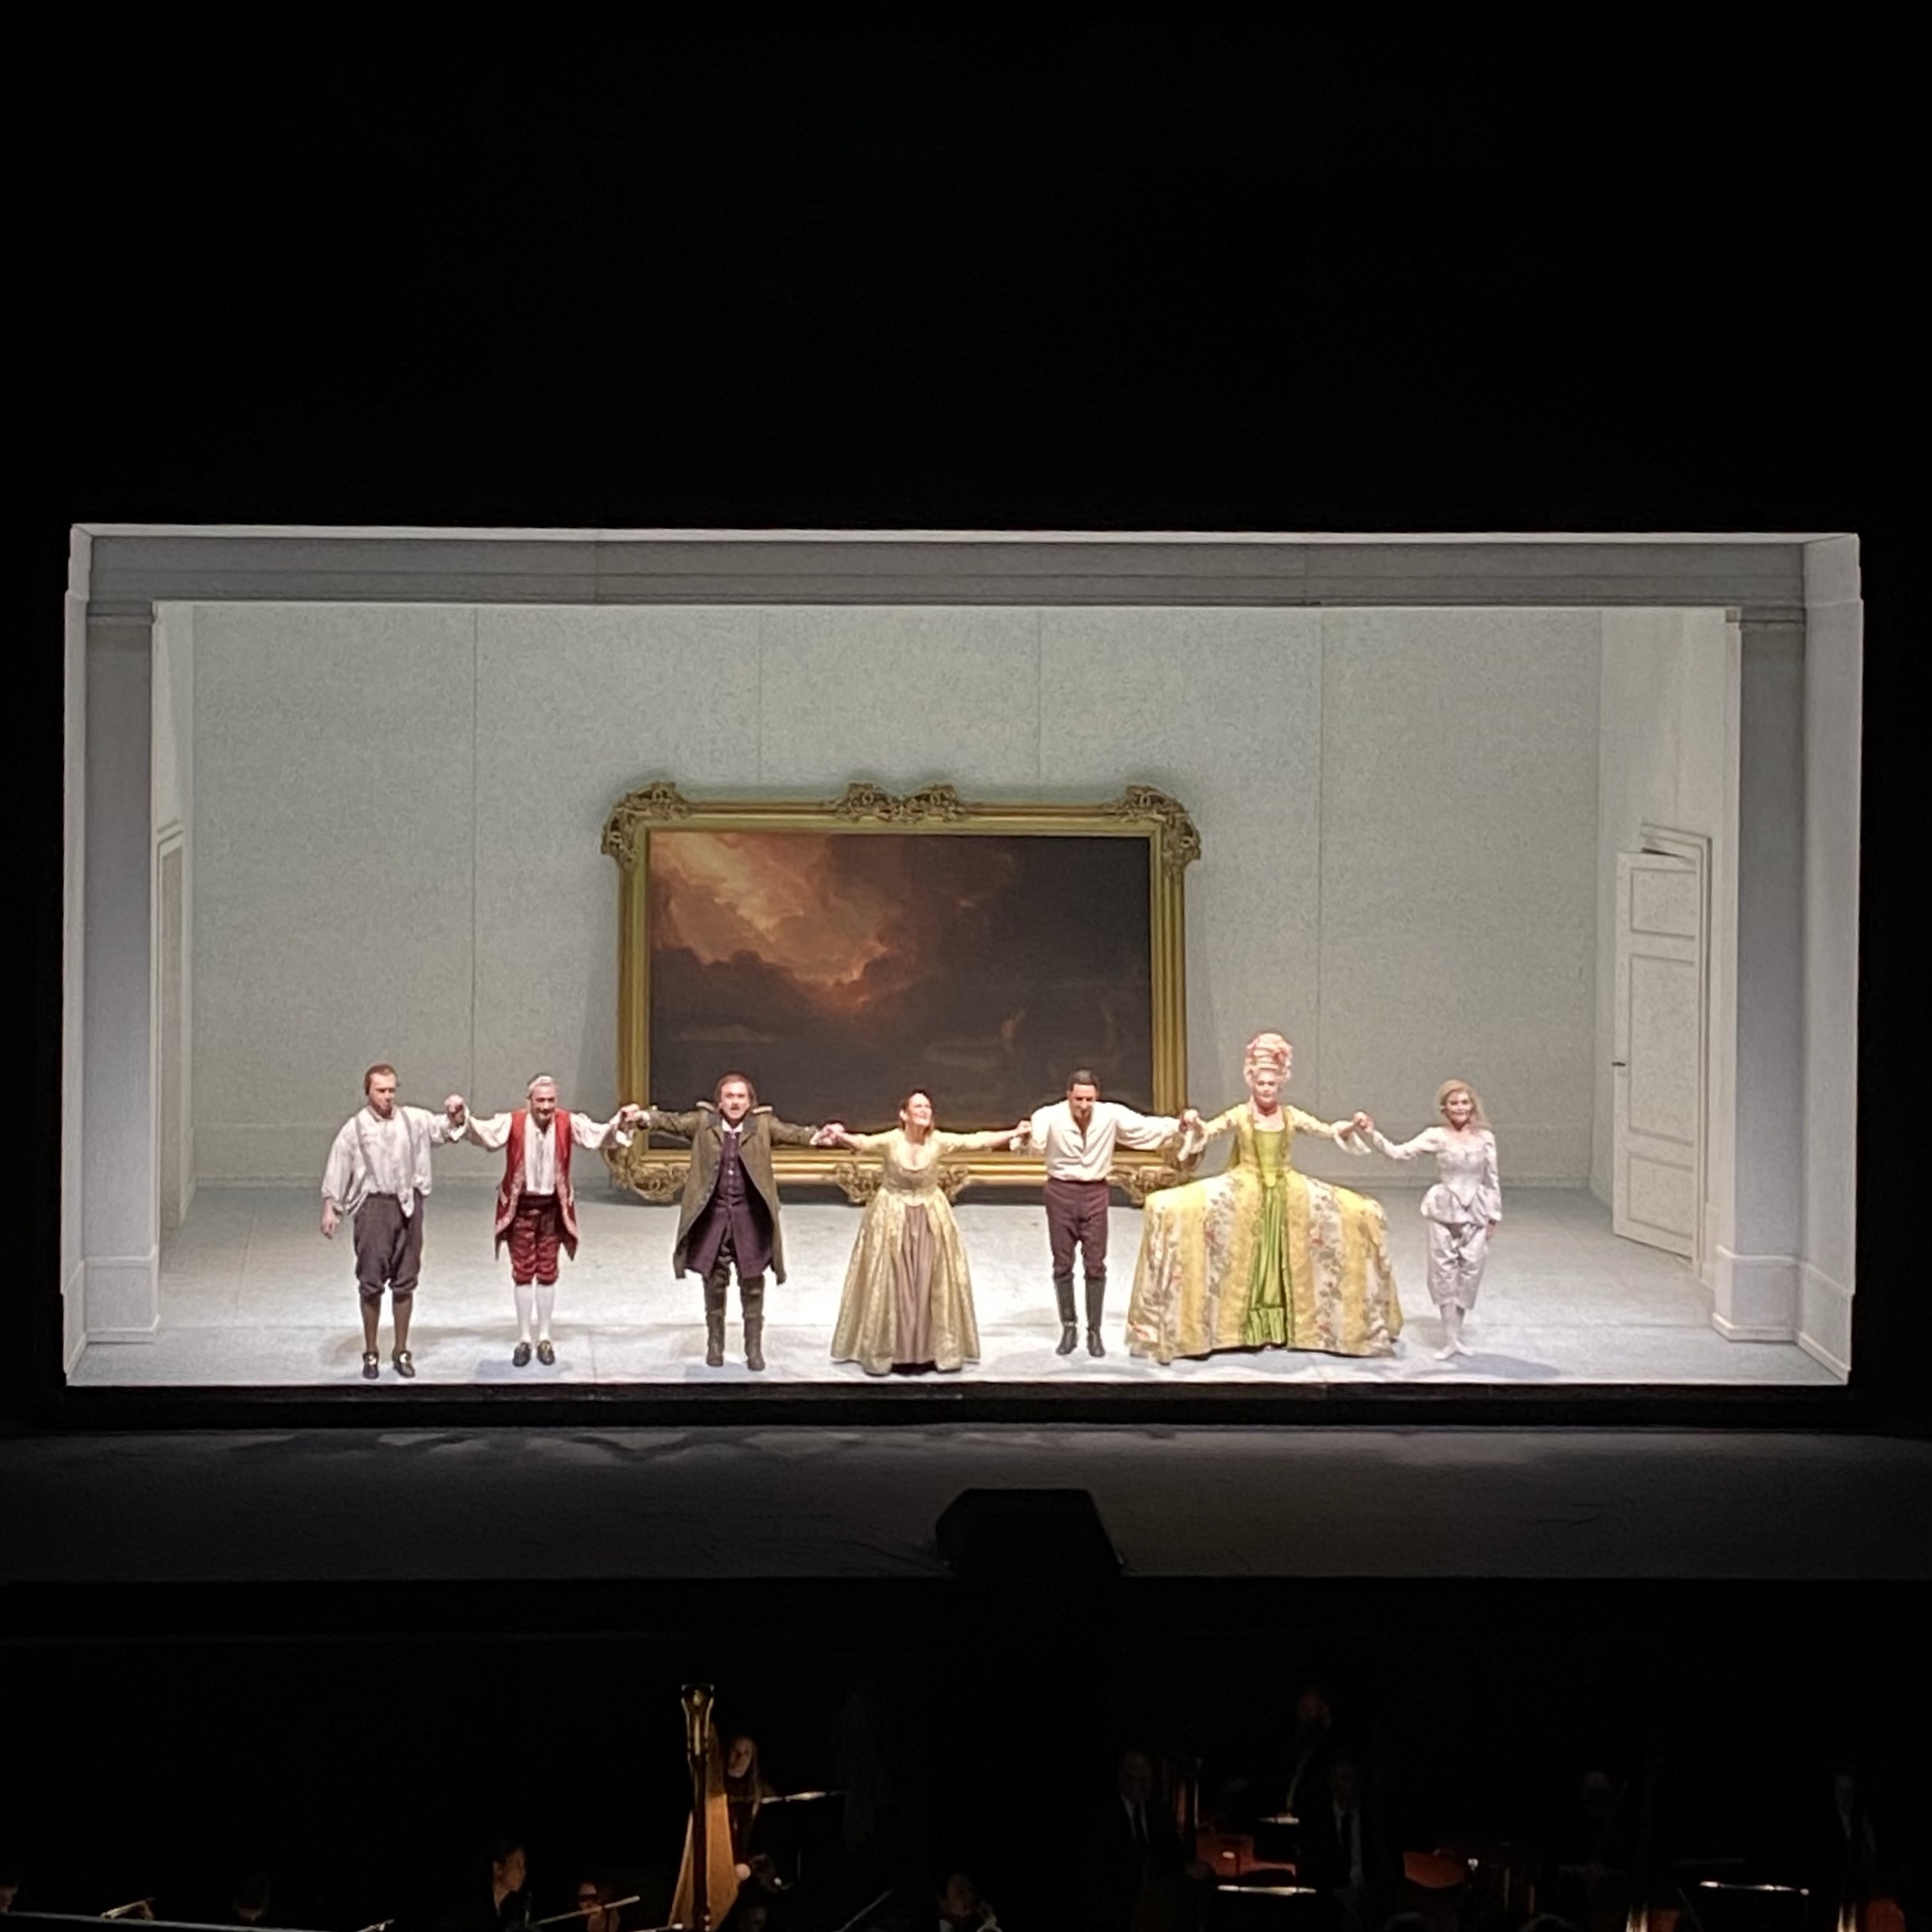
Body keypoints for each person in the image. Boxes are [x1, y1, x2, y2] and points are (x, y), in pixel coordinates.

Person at [1124, 1033, 1400, 1363]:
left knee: (1360, 1212)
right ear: (1251, 1082)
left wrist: (1352, 1126)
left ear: (1280, 1084)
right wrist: (1193, 1123)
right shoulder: (1242, 1115)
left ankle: (1289, 1325)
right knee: (1171, 1208)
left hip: (1287, 1188)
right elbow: (1209, 1131)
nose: (1266, 1089)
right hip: (1246, 1186)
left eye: (1271, 1084)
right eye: (1261, 1083)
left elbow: (1327, 1131)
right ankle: (1234, 1327)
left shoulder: (1291, 1115)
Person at [643, 1075, 834, 1371]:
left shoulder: (762, 1125)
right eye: (729, 1096)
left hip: (749, 1219)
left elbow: (795, 1134)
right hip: (715, 1218)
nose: (735, 1102)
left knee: (753, 1284)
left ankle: (753, 1348)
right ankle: (715, 1344)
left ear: (749, 1101)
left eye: (741, 1097)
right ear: (720, 1101)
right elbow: (672, 1122)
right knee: (714, 1282)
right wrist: (642, 1117)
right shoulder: (704, 1123)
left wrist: (820, 1136)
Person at [821, 1092, 1016, 1375]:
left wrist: (1014, 1132)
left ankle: (927, 1350)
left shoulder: (937, 1141)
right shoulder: (892, 1140)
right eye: (918, 1106)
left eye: (927, 1106)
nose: (924, 1110)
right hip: (892, 1217)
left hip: (929, 1217)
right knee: (895, 1282)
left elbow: (977, 1140)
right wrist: (840, 1136)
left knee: (927, 1281)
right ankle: (895, 1351)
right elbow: (863, 1143)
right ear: (904, 1114)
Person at [454, 1076, 643, 1366]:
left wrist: (621, 1121)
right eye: (540, 1100)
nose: (545, 1106)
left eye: (550, 1100)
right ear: (529, 1100)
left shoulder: (567, 1122)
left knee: (547, 1271)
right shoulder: (514, 1121)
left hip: (552, 1208)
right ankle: (524, 1339)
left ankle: (544, 1337)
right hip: (521, 1207)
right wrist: (461, 1117)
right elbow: (484, 1133)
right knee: (522, 1272)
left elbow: (597, 1135)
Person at [1017, 1069, 1185, 1358]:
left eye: (1089, 1099)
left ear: (1096, 1097)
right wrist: (1025, 1138)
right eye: (1079, 1099)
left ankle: (1094, 1331)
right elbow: (1034, 1145)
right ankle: (1069, 1326)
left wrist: (1179, 1125)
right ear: (1069, 1096)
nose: (1084, 1105)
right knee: (1062, 1262)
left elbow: (1145, 1128)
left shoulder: (1110, 1115)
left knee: (1095, 1264)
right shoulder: (1049, 1115)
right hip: (1061, 1191)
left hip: (1095, 1192)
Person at [320, 1063, 467, 1380]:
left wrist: (455, 1115)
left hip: (408, 1206)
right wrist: (331, 1206)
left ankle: (401, 1349)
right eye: (381, 1091)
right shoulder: (356, 1128)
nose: (387, 1096)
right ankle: (371, 1351)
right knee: (371, 1280)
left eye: (391, 1090)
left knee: (406, 1279)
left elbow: (442, 1128)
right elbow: (339, 1165)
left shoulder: (412, 1119)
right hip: (374, 1207)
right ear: (368, 1091)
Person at [1355, 1079, 1500, 1359]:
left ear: (1472, 1106)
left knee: (1471, 1270)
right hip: (1444, 1208)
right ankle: (1450, 1338)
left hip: (1476, 1210)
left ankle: (1457, 1333)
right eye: (1454, 1103)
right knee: (1443, 1271)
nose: (1460, 1107)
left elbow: (1491, 1178)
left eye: (1465, 1102)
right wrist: (1373, 1134)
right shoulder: (1437, 1135)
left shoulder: (1485, 1138)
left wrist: (1495, 1214)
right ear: (1445, 1108)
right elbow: (1399, 1153)